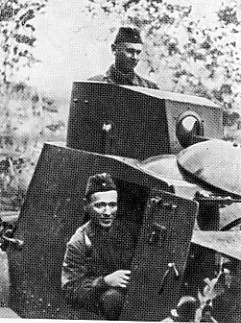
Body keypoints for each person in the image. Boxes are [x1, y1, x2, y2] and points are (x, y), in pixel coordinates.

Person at [61, 173, 135, 320]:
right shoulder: (79, 242)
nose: (107, 212)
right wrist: (105, 281)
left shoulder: (125, 230)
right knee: (112, 299)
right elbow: (71, 291)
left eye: (112, 205)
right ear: (86, 206)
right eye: (100, 205)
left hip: (129, 294)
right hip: (100, 306)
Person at [89, 27, 159, 89]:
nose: (135, 57)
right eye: (129, 51)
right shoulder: (94, 85)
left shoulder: (150, 88)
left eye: (138, 52)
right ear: (114, 49)